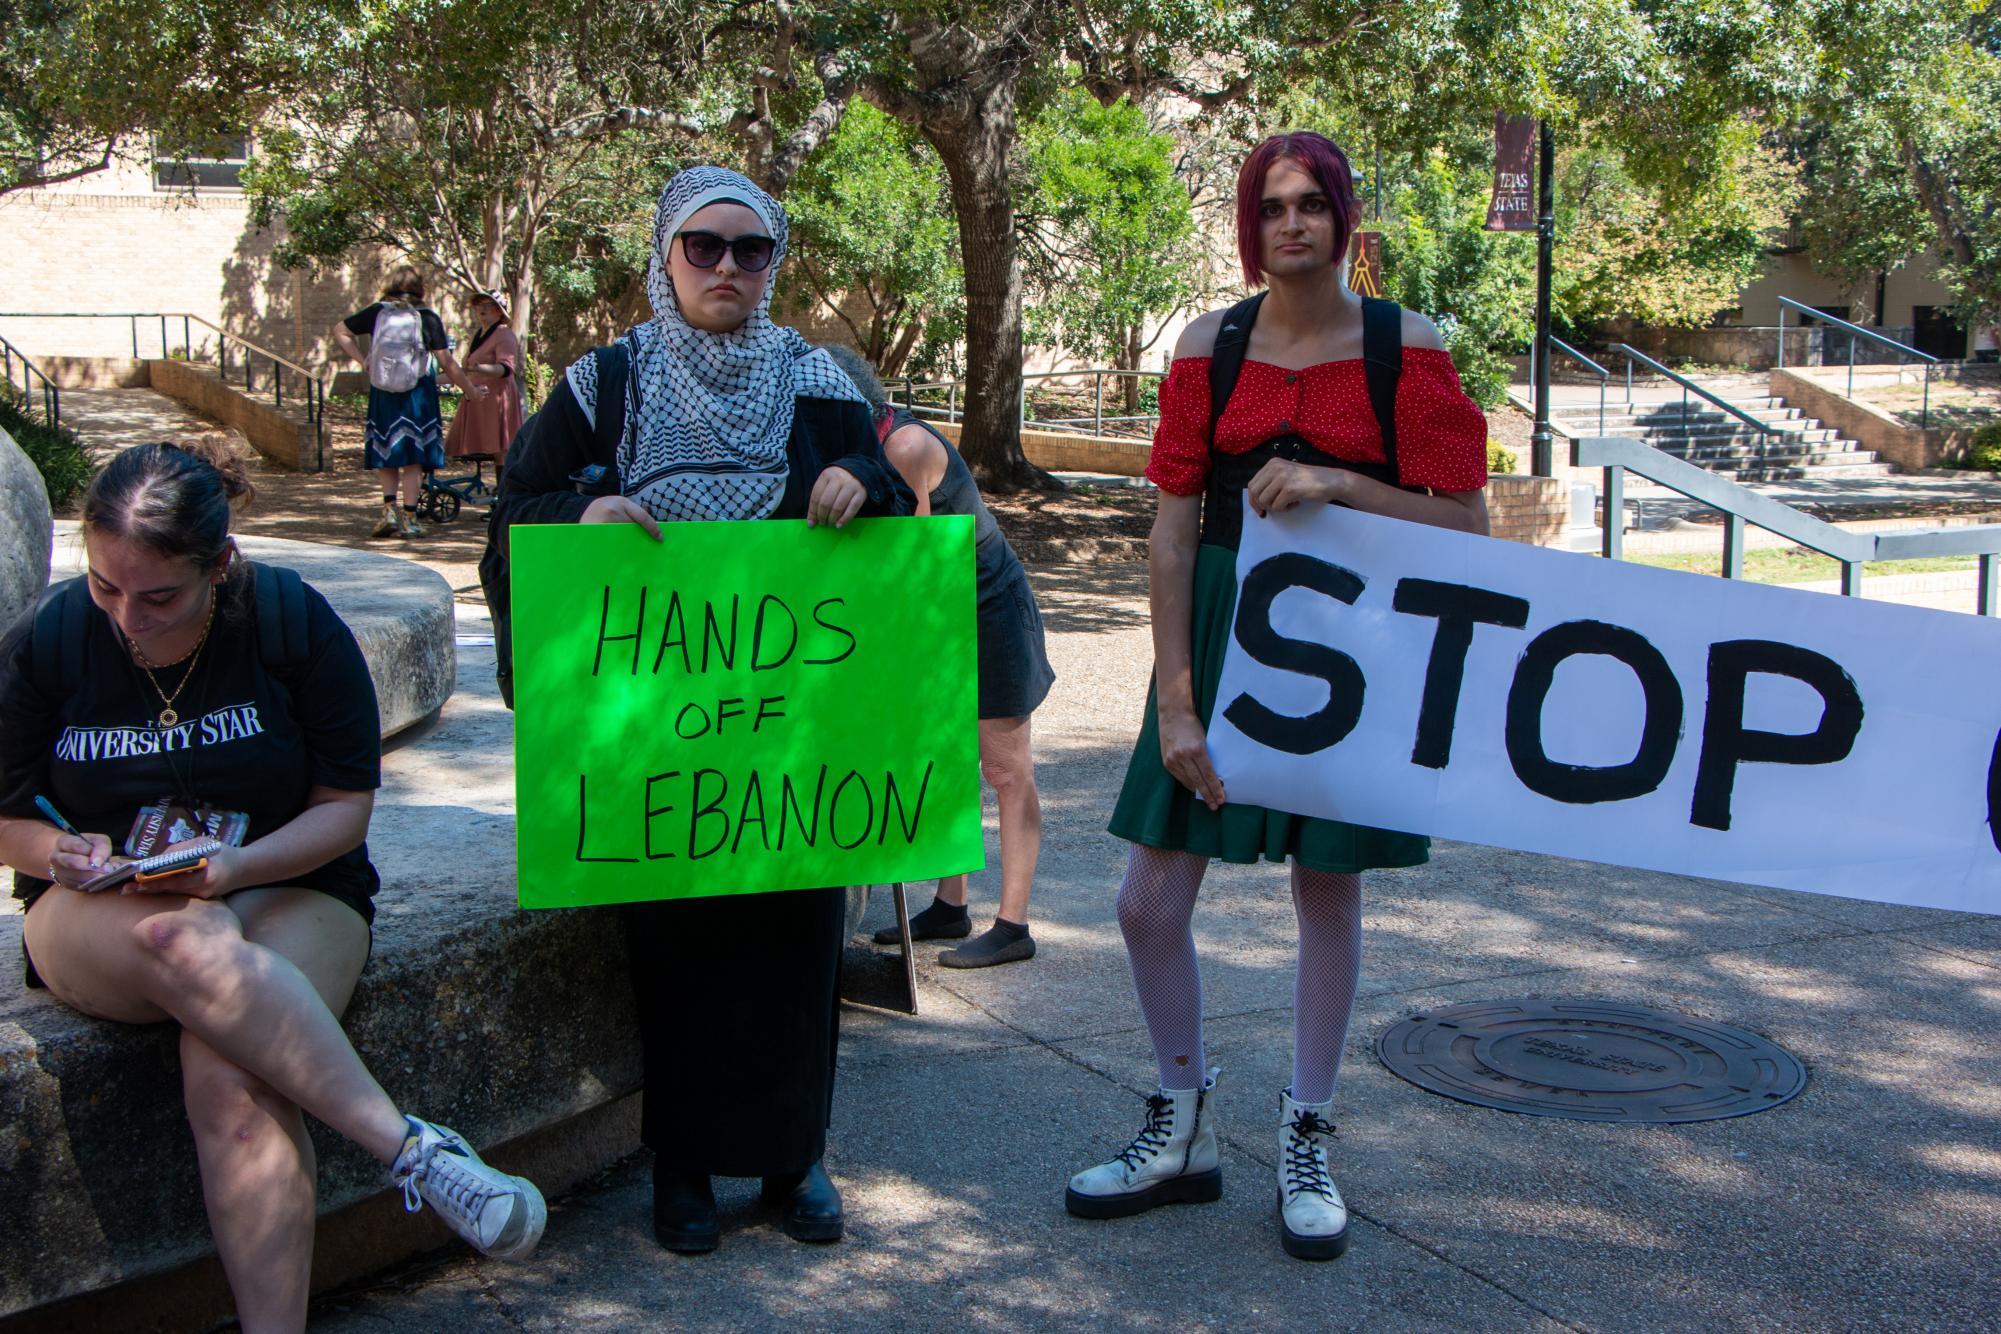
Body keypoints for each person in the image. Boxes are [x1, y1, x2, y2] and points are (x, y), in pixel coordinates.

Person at [0, 440, 545, 1334]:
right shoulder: (56, 637)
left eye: (159, 597)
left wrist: (238, 868)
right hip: (99, 912)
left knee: (231, 1076)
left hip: (291, 884)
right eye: (105, 585)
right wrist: (56, 853)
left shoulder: (291, 623)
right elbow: (6, 816)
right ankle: (408, 1148)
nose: (127, 619)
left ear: (219, 565)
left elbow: (344, 809)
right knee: (183, 935)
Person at [1064, 132, 1490, 1261]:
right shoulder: (1211, 348)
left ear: (1346, 217)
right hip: (1221, 629)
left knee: (1327, 893)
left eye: (1310, 204)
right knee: (1147, 902)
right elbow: (1167, 533)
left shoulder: (1411, 349)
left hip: (1354, 650)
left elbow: (1470, 525)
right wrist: (1175, 702)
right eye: (1268, 208)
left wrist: (1343, 481)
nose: (1289, 223)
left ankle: (1307, 1129)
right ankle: (1181, 1119)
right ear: (1250, 228)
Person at [481, 166, 911, 1255]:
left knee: (796, 945)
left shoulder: (818, 382)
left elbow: (898, 512)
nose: (727, 267)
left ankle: (792, 1157)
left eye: (750, 249)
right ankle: (681, 1163)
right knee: (679, 950)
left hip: (791, 748)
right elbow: (513, 514)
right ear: (664, 255)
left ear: (773, 262)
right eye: (703, 247)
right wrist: (581, 513)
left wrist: (865, 483)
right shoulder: (603, 384)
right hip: (657, 744)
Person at [818, 345, 1055, 968]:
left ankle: (1014, 924)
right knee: (943, 752)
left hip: (985, 609)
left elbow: (911, 560)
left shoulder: (903, 447)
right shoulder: (856, 450)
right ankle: (950, 906)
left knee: (1005, 769)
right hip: (938, 614)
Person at [331, 266, 485, 539]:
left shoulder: (378, 313)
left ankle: (388, 511)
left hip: (383, 391)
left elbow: (340, 331)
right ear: (420, 288)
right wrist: (470, 390)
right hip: (418, 394)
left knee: (387, 452)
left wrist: (362, 360)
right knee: (413, 458)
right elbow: (447, 363)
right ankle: (410, 517)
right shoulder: (427, 318)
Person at [444, 291, 526, 469]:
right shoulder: (478, 334)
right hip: (476, 398)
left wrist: (479, 368)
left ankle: (504, 491)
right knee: (483, 448)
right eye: (479, 304)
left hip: (497, 398)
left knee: (500, 449)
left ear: (498, 310)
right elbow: (463, 369)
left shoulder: (504, 334)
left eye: (487, 305)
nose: (482, 309)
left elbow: (506, 369)